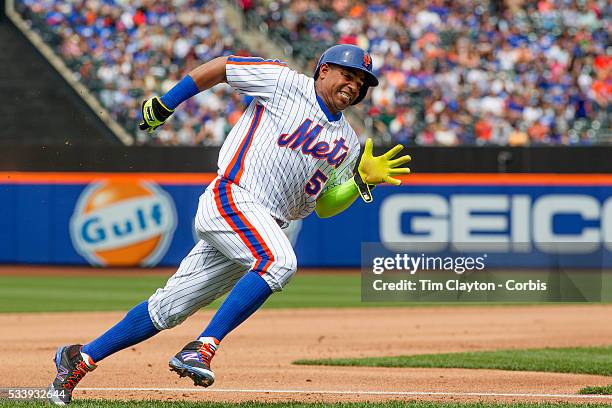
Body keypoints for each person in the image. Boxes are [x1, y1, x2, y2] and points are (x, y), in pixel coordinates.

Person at [47, 44, 411, 405]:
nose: (354, 85)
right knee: (279, 263)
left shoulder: (347, 140)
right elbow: (224, 67)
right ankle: (202, 347)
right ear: (324, 70)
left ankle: (79, 359)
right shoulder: (285, 82)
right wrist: (167, 102)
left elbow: (326, 206)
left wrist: (360, 183)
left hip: (260, 225)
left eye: (362, 82)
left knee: (167, 309)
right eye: (349, 74)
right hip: (233, 196)